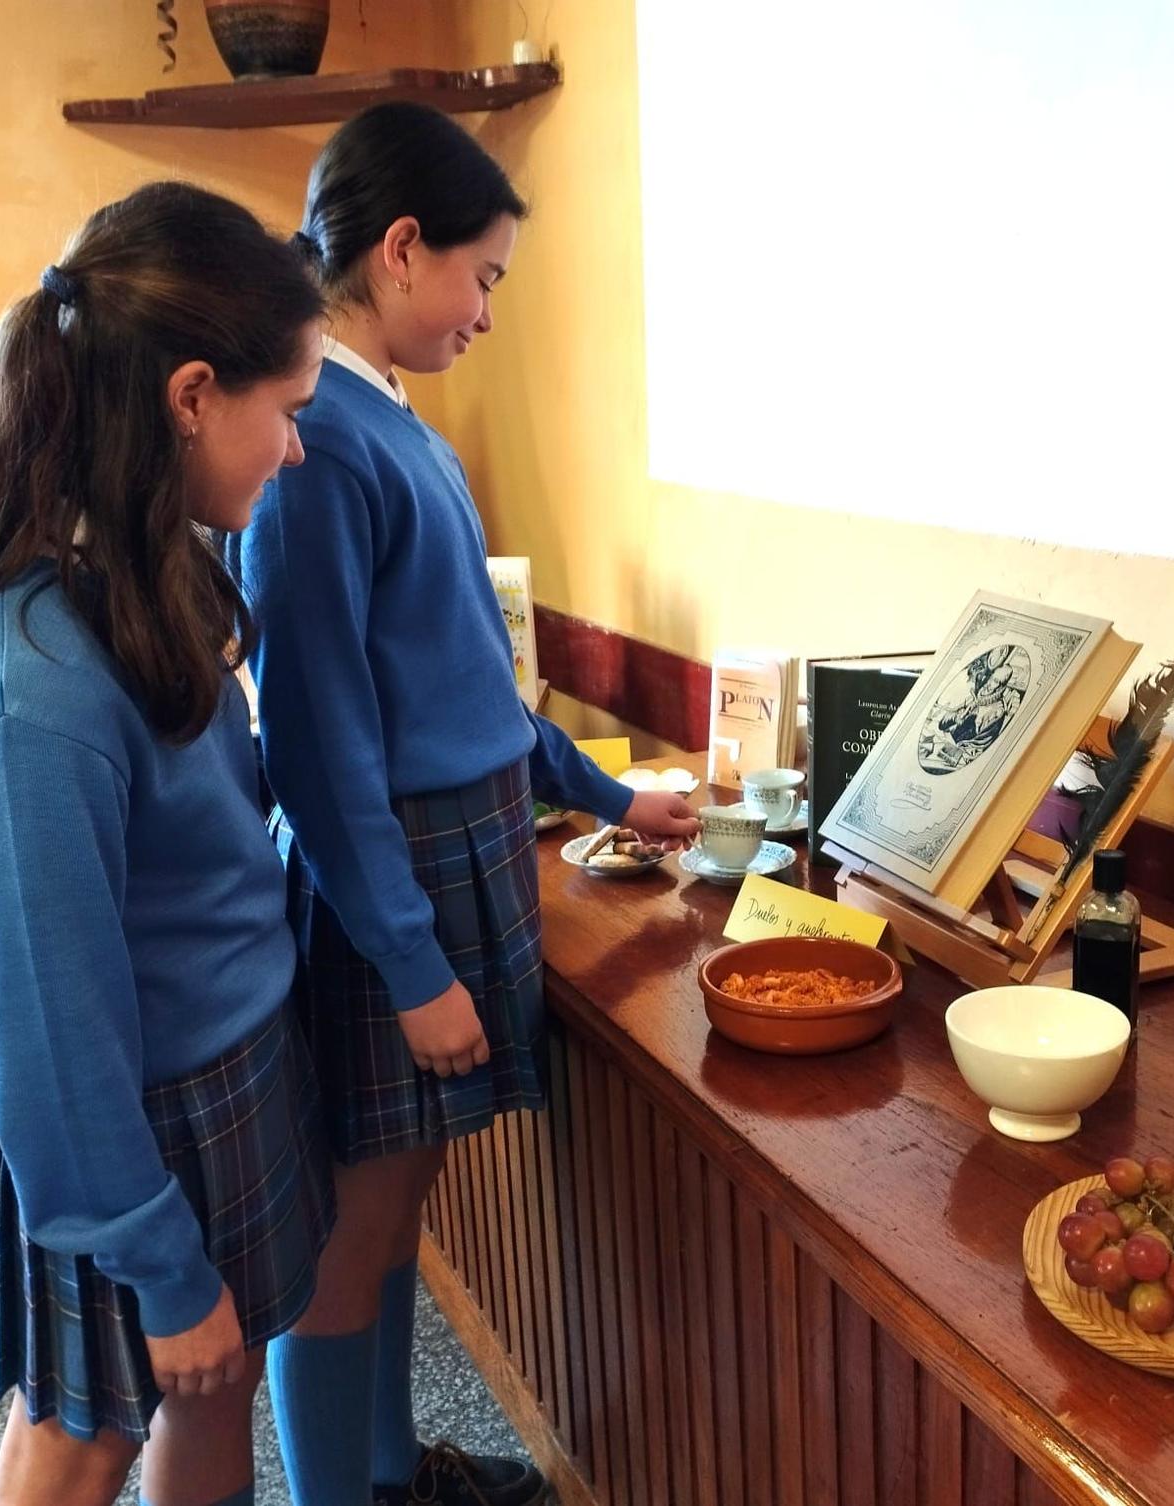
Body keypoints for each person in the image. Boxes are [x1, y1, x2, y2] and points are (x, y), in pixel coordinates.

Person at [228, 102, 699, 1506]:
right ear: (401, 245)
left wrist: (613, 790)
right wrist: (414, 962)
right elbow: (316, 748)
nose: (488, 311)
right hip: (400, 882)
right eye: (483, 276)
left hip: (457, 848)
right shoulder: (317, 444)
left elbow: (467, 691)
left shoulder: (389, 419)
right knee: (351, 1236)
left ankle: (385, 1468)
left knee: (404, 1201)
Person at [0, 182, 332, 1506]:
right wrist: (158, 1254)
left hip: (222, 1064)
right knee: (78, 1437)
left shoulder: (141, 566)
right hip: (136, 1129)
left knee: (222, 1379)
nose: (295, 451)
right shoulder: (31, 690)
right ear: (194, 393)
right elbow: (49, 1034)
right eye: (289, 411)